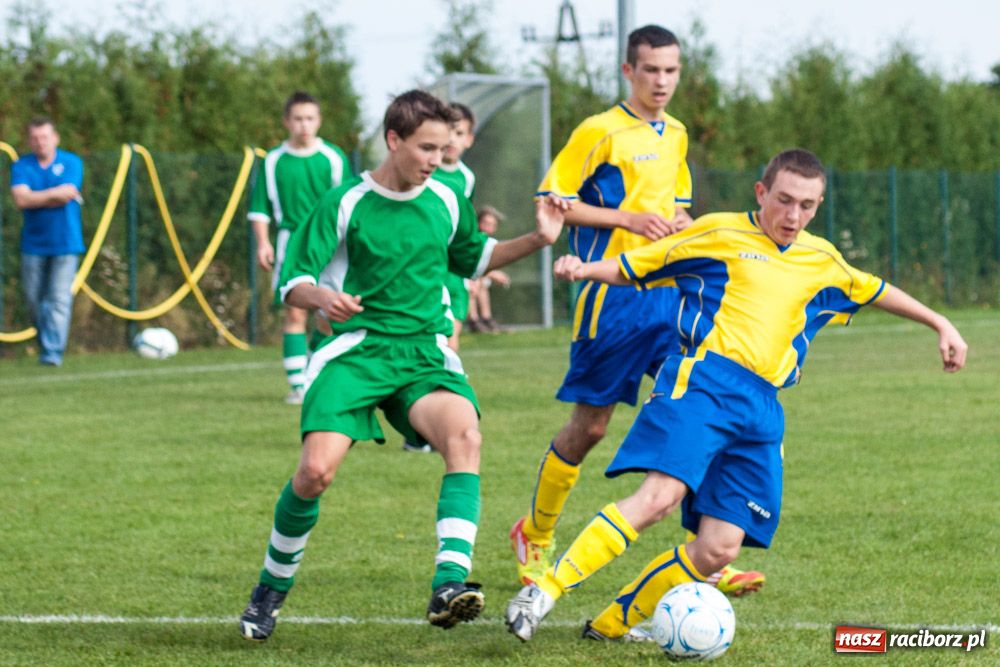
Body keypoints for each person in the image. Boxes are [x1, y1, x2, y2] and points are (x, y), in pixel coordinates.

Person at [504, 148, 968, 643]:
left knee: (719, 548)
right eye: (784, 200)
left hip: (763, 407)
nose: (794, 216)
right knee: (659, 499)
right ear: (761, 192)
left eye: (808, 205)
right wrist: (582, 269)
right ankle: (542, 592)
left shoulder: (822, 259)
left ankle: (610, 626)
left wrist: (939, 322)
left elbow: (874, 288)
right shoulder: (718, 231)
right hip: (703, 381)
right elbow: (639, 265)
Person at [238, 90, 568, 642]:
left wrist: (539, 237)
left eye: (444, 148)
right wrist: (324, 299)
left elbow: (475, 257)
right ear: (394, 140)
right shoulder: (344, 202)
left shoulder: (444, 198)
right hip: (359, 350)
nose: (437, 160)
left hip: (424, 353)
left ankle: (449, 584)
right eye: (426, 148)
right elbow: (291, 280)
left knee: (465, 436)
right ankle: (269, 589)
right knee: (315, 473)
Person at [508, 24, 764, 597]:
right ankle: (536, 534)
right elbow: (554, 204)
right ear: (629, 71)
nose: (663, 81)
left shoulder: (675, 133)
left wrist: (679, 228)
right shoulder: (599, 130)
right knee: (591, 426)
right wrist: (626, 221)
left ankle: (708, 555)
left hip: (671, 299)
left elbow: (673, 210)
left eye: (672, 70)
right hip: (610, 303)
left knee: (698, 412)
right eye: (651, 70)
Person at [248, 91, 352, 404]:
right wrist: (263, 242)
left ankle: (315, 372)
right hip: (290, 243)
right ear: (287, 122)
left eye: (309, 118)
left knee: (329, 314)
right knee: (294, 313)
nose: (303, 125)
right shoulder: (273, 161)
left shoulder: (333, 158)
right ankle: (299, 387)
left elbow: (347, 203)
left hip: (329, 244)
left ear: (318, 121)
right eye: (297, 119)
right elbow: (260, 208)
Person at [10, 117, 85, 367]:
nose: (40, 142)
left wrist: (35, 196)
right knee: (34, 300)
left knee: (59, 299)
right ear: (29, 141)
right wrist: (55, 194)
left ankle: (52, 353)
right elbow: (21, 200)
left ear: (55, 138)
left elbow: (68, 193)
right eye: (35, 138)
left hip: (66, 243)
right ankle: (47, 342)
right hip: (33, 245)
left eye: (44, 137)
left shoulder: (71, 162)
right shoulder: (22, 166)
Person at [432, 102, 477, 351]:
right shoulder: (425, 170)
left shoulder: (467, 177)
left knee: (451, 336)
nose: (451, 139)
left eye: (459, 133)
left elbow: (466, 226)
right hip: (427, 261)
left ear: (469, 139)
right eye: (447, 131)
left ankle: (447, 382)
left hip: (454, 269)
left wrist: (477, 268)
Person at [466, 206, 510, 333]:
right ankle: (473, 322)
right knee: (474, 283)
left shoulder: (489, 241)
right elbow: (469, 264)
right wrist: (493, 274)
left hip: (473, 274)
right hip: (459, 277)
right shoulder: (471, 238)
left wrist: (490, 274)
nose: (488, 228)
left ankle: (486, 319)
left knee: (483, 282)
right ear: (478, 223)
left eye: (492, 225)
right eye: (486, 223)